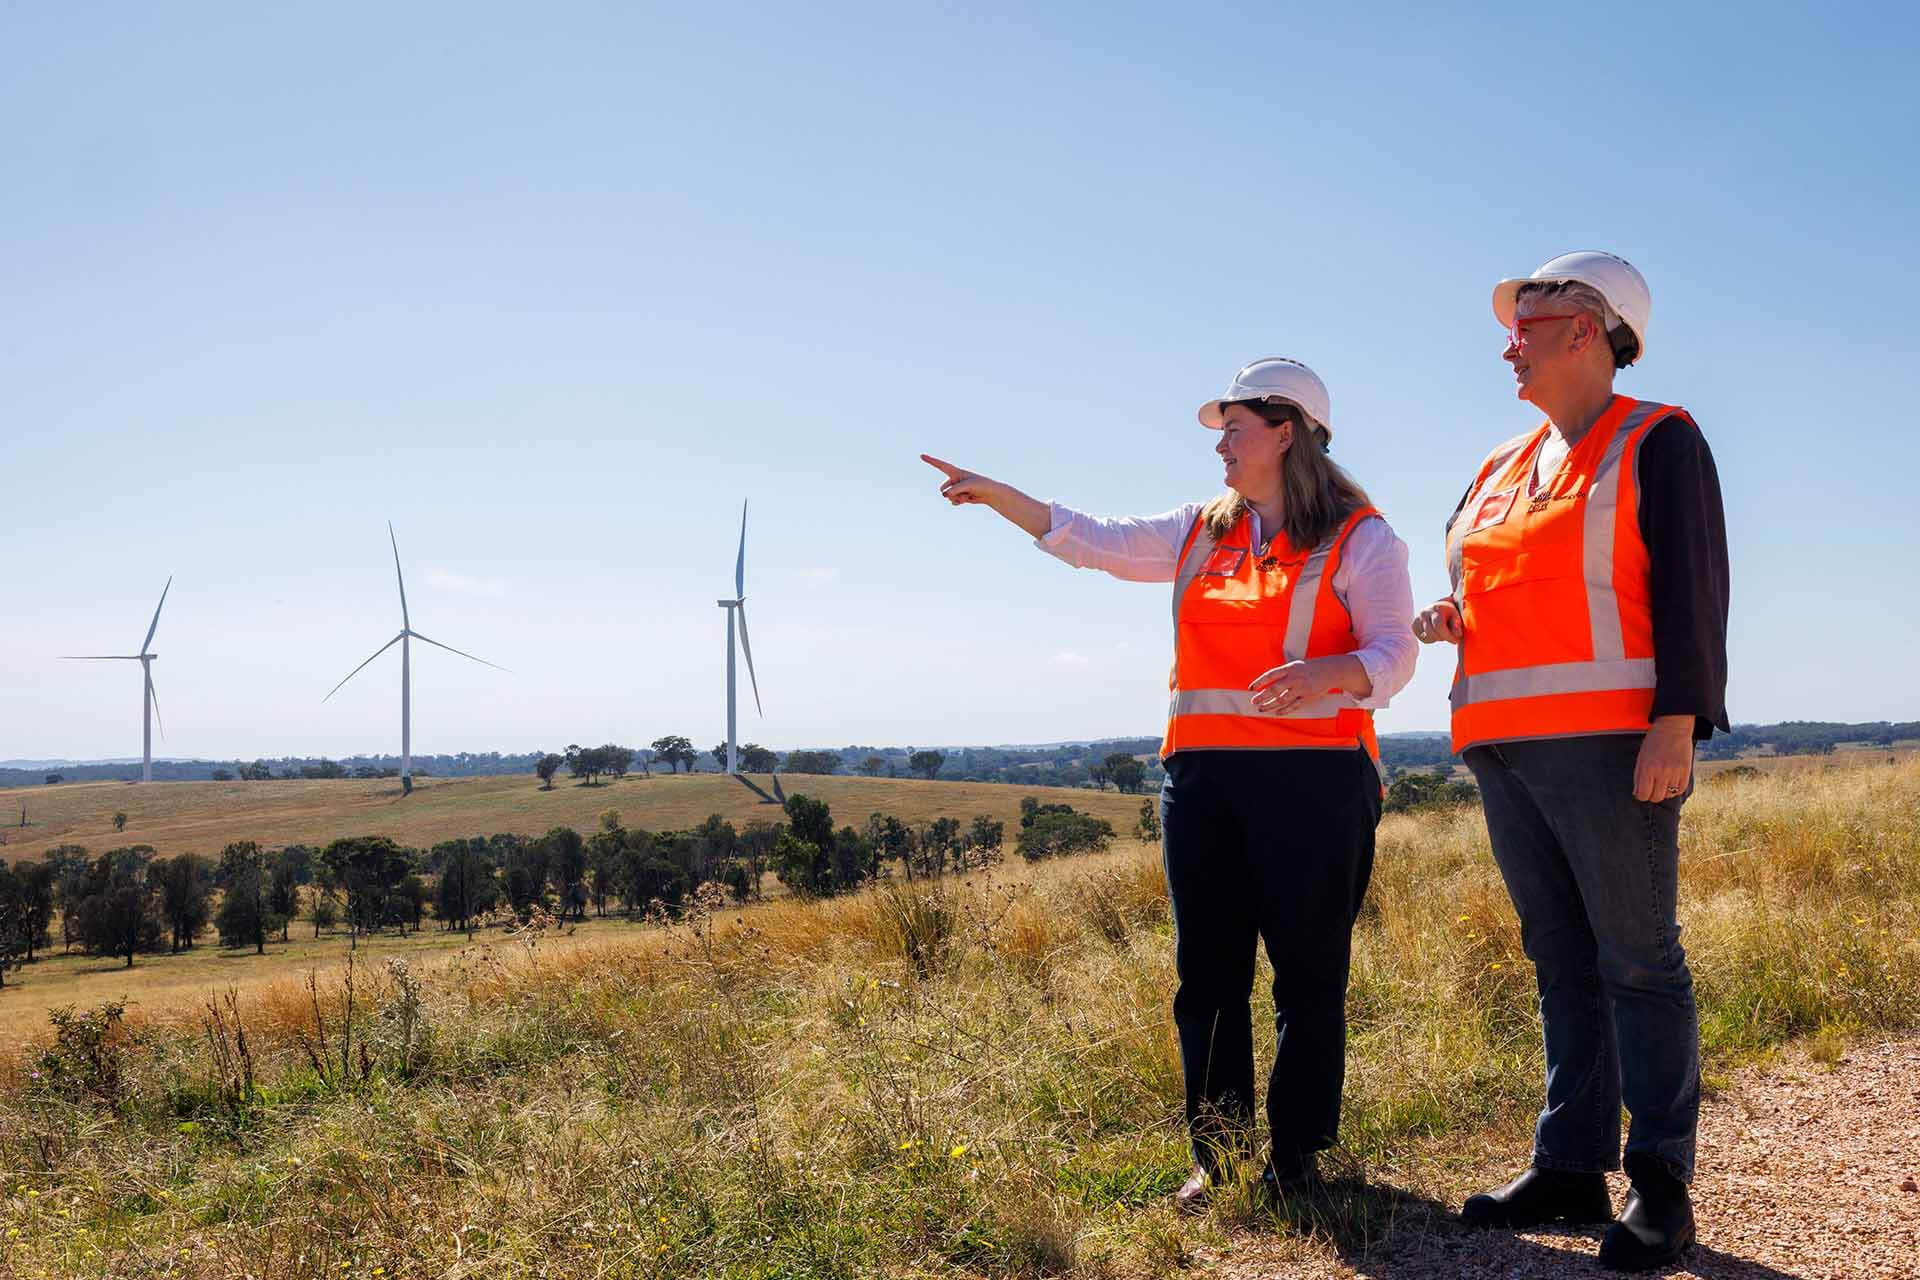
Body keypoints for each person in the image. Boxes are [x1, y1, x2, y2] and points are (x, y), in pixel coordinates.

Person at [923, 357, 1417, 1209]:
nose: (1220, 444)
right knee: (1209, 977)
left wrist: (1327, 673)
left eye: (1235, 428)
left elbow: (1395, 654)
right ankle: (1219, 1159)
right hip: (1202, 784)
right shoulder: (1200, 529)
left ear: (1286, 431)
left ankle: (1296, 1161)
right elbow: (1096, 540)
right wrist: (1004, 497)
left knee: (1307, 978)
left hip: (1316, 784)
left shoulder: (1362, 537)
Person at [1414, 252, 1729, 1271]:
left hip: (1611, 746)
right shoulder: (1499, 464)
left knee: (1637, 957)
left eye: (1528, 320)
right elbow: (1503, 584)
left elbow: (1691, 587)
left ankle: (1662, 1185)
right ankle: (1568, 1162)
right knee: (1560, 958)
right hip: (1502, 744)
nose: (1510, 341)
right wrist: (1453, 614)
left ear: (1587, 330)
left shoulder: (1657, 438)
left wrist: (1677, 720)